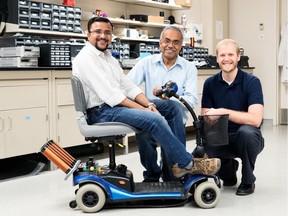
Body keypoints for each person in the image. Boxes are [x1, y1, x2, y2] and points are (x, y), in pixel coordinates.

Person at [72, 16, 220, 180]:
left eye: (107, 32)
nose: (103, 36)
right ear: (88, 34)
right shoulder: (86, 58)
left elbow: (128, 85)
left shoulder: (108, 58)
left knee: (172, 107)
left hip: (111, 107)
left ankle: (174, 170)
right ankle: (188, 164)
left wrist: (148, 103)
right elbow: (113, 96)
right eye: (98, 32)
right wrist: (145, 110)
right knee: (154, 119)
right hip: (101, 111)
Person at [127, 25, 198, 182]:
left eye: (176, 42)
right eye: (167, 40)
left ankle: (171, 172)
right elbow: (127, 87)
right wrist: (147, 103)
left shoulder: (189, 68)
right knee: (143, 134)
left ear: (181, 46)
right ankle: (151, 174)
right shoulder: (145, 63)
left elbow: (192, 100)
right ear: (160, 43)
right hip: (150, 119)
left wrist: (170, 98)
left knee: (171, 177)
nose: (170, 45)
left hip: (175, 122)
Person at [201, 38, 265, 195]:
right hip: (219, 136)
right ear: (217, 58)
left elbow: (255, 120)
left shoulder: (252, 82)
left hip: (245, 138)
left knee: (247, 132)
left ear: (238, 56)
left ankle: (248, 180)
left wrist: (223, 112)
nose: (226, 59)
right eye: (222, 55)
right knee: (201, 150)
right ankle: (229, 169)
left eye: (230, 54)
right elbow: (206, 116)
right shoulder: (209, 83)